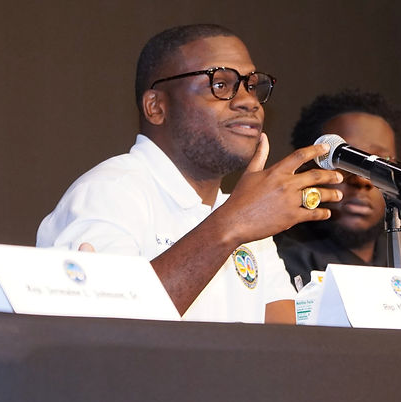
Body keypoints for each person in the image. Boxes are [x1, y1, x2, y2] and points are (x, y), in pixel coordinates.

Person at [37, 24, 343, 323]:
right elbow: (111, 330)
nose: (249, 101)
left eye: (252, 86)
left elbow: (284, 348)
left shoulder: (239, 212)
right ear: (156, 107)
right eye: (220, 84)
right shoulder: (108, 193)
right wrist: (234, 222)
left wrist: (236, 218)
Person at [274, 89, 401, 288]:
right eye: (346, 160)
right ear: (307, 167)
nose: (362, 180)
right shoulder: (275, 266)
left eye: (381, 162)